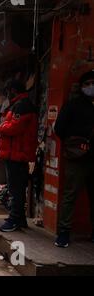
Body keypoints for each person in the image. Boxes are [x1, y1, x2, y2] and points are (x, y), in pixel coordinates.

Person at [54, 69, 94, 248]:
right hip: (76, 158)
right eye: (87, 84)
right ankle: (63, 232)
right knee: (70, 194)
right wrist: (75, 144)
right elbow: (59, 128)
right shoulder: (73, 105)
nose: (91, 87)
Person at [0, 79, 38, 232]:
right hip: (15, 154)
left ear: (13, 90)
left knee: (16, 189)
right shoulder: (18, 105)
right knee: (16, 187)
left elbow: (14, 128)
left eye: (8, 91)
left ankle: (14, 219)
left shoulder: (23, 106)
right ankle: (19, 219)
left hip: (18, 155)